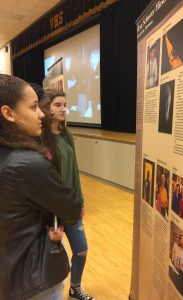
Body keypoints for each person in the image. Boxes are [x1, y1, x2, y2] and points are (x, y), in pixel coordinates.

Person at [0, 74, 82, 300]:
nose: (41, 114)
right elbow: (71, 207)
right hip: (34, 277)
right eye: (34, 106)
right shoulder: (28, 163)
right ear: (8, 113)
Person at [44, 88, 95, 300]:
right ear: (47, 108)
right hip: (52, 210)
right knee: (53, 256)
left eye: (64, 104)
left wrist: (80, 200)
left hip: (71, 205)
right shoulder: (41, 140)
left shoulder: (67, 134)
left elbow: (74, 170)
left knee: (81, 250)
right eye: (57, 105)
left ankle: (75, 288)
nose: (63, 109)